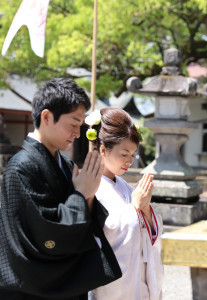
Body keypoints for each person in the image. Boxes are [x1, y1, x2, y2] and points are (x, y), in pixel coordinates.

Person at [0, 78, 122, 300]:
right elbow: (47, 231)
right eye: (73, 124)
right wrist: (81, 194)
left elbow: (86, 219)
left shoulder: (65, 165)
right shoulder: (21, 167)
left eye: (81, 125)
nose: (77, 133)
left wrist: (89, 195)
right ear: (46, 117)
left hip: (64, 284)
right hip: (32, 288)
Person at [86, 108, 164, 300]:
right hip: (113, 286)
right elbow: (100, 237)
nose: (129, 160)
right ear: (103, 149)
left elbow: (149, 231)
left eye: (133, 154)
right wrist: (134, 208)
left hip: (139, 280)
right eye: (124, 154)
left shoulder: (124, 186)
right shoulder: (90, 186)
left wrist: (145, 210)